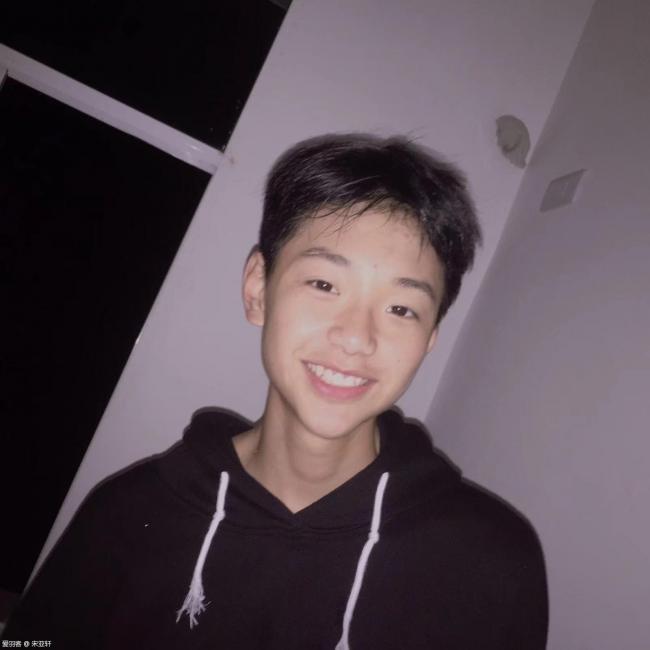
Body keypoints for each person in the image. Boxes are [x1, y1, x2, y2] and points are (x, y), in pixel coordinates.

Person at [4, 133, 548, 648]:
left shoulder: (494, 562)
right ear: (258, 289)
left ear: (429, 337)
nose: (357, 338)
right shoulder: (126, 514)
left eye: (401, 308)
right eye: (324, 284)